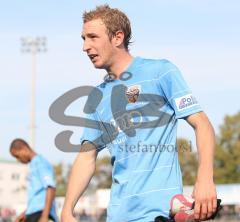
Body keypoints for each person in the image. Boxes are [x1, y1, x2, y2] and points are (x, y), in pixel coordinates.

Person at [61, 5, 217, 222]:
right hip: (117, 216)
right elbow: (87, 156)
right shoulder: (98, 96)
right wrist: (67, 210)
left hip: (159, 214)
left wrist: (205, 179)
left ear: (117, 37)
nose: (85, 47)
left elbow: (202, 124)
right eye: (83, 38)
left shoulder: (161, 71)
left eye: (92, 37)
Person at [10, 139, 58, 222]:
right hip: (34, 214)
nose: (18, 160)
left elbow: (50, 187)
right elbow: (37, 197)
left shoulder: (41, 163)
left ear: (24, 149)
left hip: (41, 214)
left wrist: (44, 216)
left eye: (17, 156)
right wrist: (25, 213)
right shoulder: (33, 165)